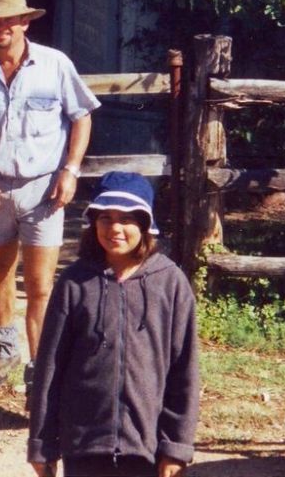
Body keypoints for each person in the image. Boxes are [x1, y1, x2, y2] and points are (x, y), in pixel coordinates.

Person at [0, 0, 100, 390]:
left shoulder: (54, 65)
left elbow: (81, 118)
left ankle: (40, 369)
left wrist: (71, 170)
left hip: (43, 191)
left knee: (40, 285)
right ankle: (5, 348)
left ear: (24, 21)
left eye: (8, 20)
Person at [27, 171, 200, 477]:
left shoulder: (170, 284)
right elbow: (49, 368)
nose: (115, 228)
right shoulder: (74, 283)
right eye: (105, 217)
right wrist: (41, 445)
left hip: (146, 449)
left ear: (146, 224)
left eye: (127, 218)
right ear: (92, 223)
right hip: (83, 447)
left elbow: (184, 371)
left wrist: (177, 446)